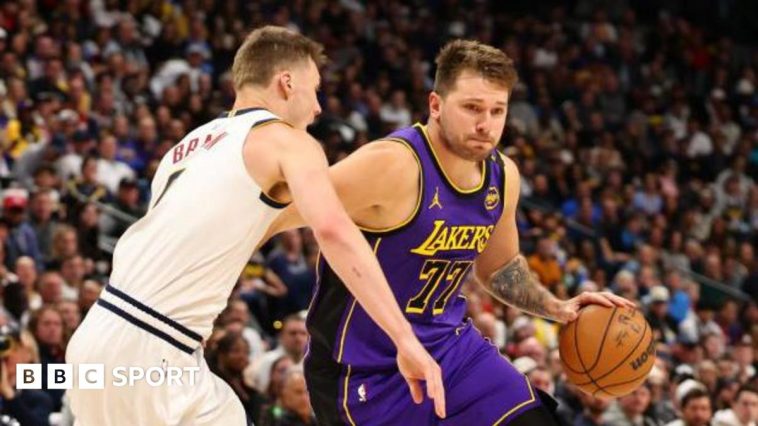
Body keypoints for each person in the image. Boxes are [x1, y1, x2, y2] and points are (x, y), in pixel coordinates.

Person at [66, 26, 444, 425]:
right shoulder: (286, 141)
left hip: (109, 333)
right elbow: (332, 230)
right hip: (151, 346)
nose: (318, 108)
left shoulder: (189, 145)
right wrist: (404, 338)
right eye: (315, 90)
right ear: (287, 82)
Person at [277, 39, 633, 425]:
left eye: (498, 110)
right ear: (436, 105)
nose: (486, 124)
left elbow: (498, 268)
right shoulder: (393, 165)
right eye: (472, 108)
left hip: (452, 349)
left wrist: (556, 307)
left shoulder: (503, 175)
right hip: (363, 368)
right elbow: (279, 211)